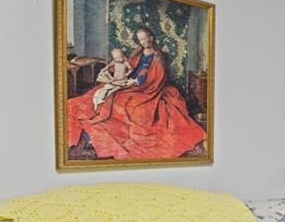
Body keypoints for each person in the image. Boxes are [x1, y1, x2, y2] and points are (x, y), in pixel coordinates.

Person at [66, 27, 206, 160]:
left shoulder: (158, 57)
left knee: (132, 106)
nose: (143, 42)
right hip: (129, 82)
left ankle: (110, 132)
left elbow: (156, 77)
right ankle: (98, 125)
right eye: (140, 40)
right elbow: (127, 65)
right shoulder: (139, 53)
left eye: (145, 38)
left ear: (151, 37)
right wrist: (110, 72)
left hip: (147, 89)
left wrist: (135, 82)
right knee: (102, 94)